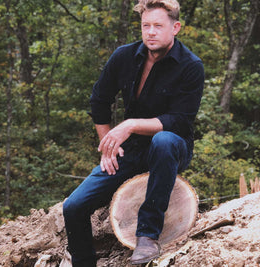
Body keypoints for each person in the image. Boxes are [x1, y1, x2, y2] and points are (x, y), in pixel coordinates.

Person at [62, 0, 204, 265]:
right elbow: (99, 100)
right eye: (145, 25)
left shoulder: (191, 66)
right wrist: (108, 146)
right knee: (73, 207)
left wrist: (130, 124)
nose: (150, 32)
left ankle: (147, 236)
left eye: (158, 26)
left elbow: (180, 121)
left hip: (173, 147)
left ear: (175, 27)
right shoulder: (124, 56)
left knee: (163, 141)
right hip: (132, 150)